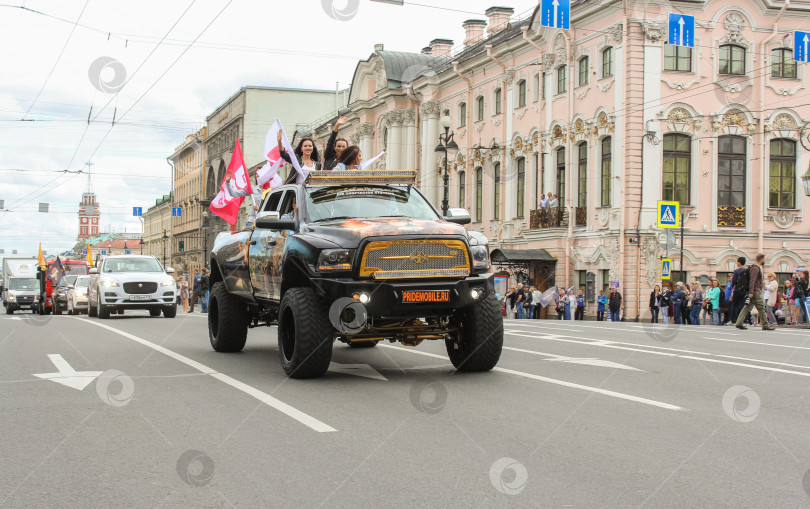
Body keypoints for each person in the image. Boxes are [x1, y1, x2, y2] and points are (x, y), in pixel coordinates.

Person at [735, 253, 774, 330]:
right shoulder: (755, 268)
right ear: (761, 259)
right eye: (764, 259)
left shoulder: (755, 268)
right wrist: (751, 292)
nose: (764, 261)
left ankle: (739, 323)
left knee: (747, 307)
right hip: (756, 291)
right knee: (761, 307)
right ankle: (765, 325)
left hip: (754, 291)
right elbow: (752, 281)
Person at [729, 256, 747, 325]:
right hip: (745, 290)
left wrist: (732, 286)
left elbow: (734, 281)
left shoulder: (736, 271)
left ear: (739, 262)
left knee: (735, 305)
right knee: (744, 306)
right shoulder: (747, 271)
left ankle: (734, 320)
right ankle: (744, 320)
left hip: (737, 290)